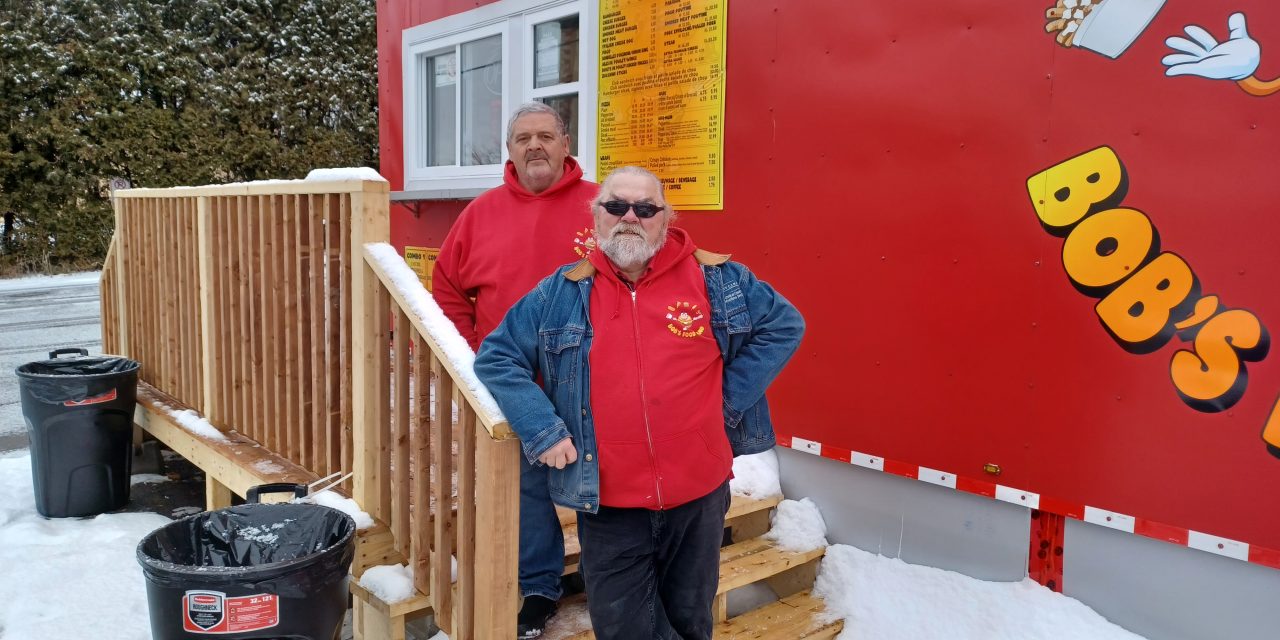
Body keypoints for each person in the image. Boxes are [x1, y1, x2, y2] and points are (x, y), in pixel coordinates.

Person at [475, 166, 805, 640]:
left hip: (699, 495)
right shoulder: (561, 292)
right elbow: (498, 357)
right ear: (597, 216)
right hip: (609, 504)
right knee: (625, 628)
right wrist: (542, 428)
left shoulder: (717, 279)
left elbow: (784, 326)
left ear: (665, 217)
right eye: (616, 206)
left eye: (645, 208)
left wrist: (726, 399)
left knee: (691, 620)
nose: (630, 217)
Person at [432, 101, 598, 638]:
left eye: (545, 136)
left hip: (591, 378)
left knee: (599, 481)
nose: (534, 146)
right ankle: (540, 587)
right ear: (509, 150)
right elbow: (447, 290)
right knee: (527, 490)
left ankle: (604, 575)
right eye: (522, 138)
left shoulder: (603, 205)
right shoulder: (480, 213)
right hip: (511, 381)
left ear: (565, 143)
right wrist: (473, 352)